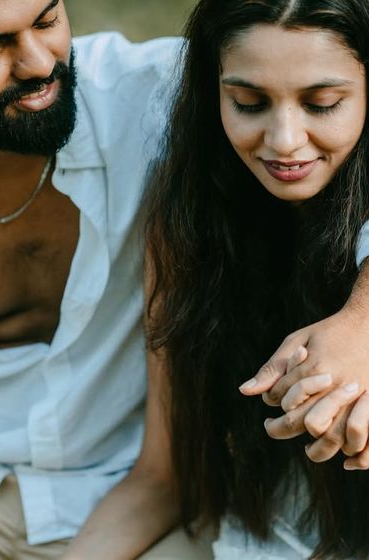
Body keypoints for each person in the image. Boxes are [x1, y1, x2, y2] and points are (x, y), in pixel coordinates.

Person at [0, 1, 218, 558]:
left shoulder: (158, 95)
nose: (38, 64)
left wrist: (357, 319)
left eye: (47, 21)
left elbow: (332, 113)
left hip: (148, 503)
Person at [145, 0, 369, 557]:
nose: (285, 139)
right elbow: (158, 481)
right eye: (248, 103)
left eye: (323, 104)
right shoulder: (190, 222)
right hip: (253, 535)